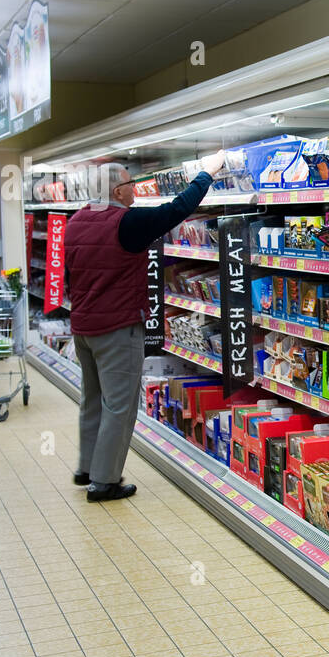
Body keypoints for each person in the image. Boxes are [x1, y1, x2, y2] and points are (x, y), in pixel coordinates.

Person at [65, 151, 226, 502]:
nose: (135, 188)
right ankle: (104, 481)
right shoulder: (127, 223)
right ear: (118, 190)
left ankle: (87, 468)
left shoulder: (76, 220)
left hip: (83, 327)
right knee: (120, 405)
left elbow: (70, 276)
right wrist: (206, 174)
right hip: (117, 327)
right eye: (131, 182)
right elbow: (176, 210)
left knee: (92, 398)